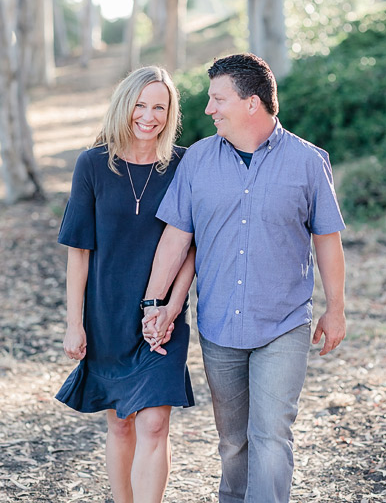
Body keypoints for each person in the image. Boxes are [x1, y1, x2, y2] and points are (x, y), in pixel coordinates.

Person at [141, 53, 346, 503]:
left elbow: (327, 239)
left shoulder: (309, 162)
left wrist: (336, 309)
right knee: (234, 442)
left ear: (252, 103)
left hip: (284, 324)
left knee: (271, 436)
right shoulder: (196, 160)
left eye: (218, 99)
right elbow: (176, 239)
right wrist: (154, 305)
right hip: (220, 327)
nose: (209, 109)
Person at [57, 66, 197, 503]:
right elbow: (78, 251)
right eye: (140, 104)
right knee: (120, 420)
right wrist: (74, 324)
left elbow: (192, 247)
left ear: (171, 112)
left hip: (162, 317)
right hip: (107, 314)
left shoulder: (184, 164)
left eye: (160, 106)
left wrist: (171, 307)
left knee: (154, 422)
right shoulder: (92, 165)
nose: (149, 115)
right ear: (124, 106)